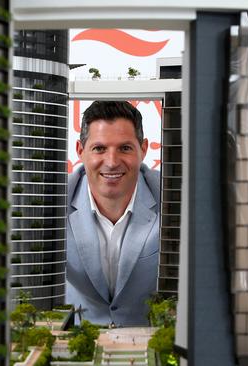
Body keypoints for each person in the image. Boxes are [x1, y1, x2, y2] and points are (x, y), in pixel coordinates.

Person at [66, 101, 160, 327]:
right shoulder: (50, 201)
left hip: (153, 338)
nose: (112, 162)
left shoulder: (177, 196)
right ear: (81, 151)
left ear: (143, 149)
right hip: (78, 337)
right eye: (99, 148)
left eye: (125, 148)